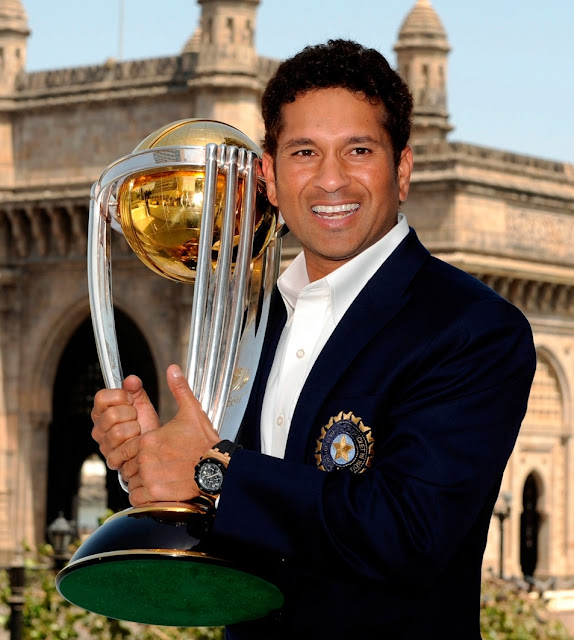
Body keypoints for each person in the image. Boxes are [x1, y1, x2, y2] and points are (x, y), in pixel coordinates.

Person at [91, 40, 536, 639]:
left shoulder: (471, 329)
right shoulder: (255, 322)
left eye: (358, 150)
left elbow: (409, 533)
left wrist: (211, 469)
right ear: (269, 177)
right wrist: (152, 470)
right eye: (304, 152)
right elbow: (230, 527)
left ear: (402, 170)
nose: (331, 179)